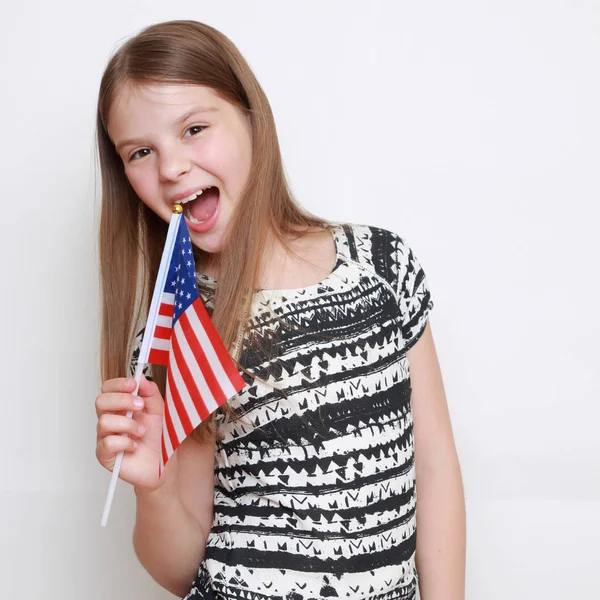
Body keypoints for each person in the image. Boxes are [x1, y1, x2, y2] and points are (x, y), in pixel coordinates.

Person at [94, 19, 466, 600]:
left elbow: (435, 467)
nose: (170, 168)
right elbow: (179, 568)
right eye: (141, 152)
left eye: (193, 128)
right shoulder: (176, 328)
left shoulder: (379, 264)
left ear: (250, 117)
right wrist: (153, 487)